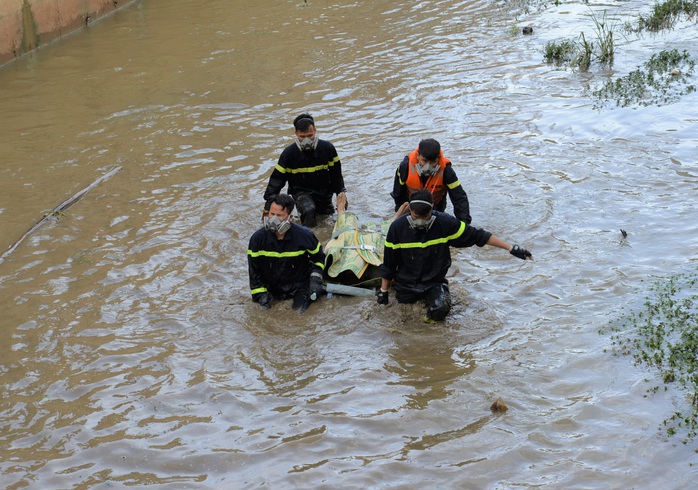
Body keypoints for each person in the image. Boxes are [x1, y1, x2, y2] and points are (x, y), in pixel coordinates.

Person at [377, 189, 532, 322]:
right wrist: (383, 292)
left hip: (433, 281)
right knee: (403, 316)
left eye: (426, 217)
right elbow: (389, 263)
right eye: (417, 218)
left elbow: (478, 236)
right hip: (406, 284)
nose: (421, 222)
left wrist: (510, 248)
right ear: (410, 209)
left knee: (441, 308)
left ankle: (429, 329)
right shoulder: (397, 228)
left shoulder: (445, 223)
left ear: (432, 208)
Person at [263, 113, 347, 227]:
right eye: (302, 137)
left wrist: (340, 194)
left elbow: (336, 174)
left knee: (326, 218)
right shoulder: (289, 154)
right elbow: (277, 179)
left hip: (323, 192)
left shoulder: (327, 149)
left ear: (315, 131)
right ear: (296, 133)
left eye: (310, 135)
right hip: (300, 191)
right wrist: (268, 205)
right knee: (308, 210)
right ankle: (309, 237)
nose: (306, 140)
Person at [247, 194, 326, 313]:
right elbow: (254, 273)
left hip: (300, 287)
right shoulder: (257, 239)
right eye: (271, 214)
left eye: (279, 215)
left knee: (300, 315)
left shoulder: (305, 236)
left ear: (290, 217)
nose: (274, 219)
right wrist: (261, 297)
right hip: (272, 290)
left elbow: (319, 259)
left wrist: (315, 281)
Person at [390, 138, 472, 224]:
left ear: (438, 158)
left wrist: (464, 223)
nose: (427, 166)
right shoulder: (405, 167)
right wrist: (399, 217)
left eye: (433, 162)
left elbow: (459, 198)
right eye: (424, 161)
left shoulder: (446, 171)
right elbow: (398, 193)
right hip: (411, 208)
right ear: (418, 156)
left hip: (435, 209)